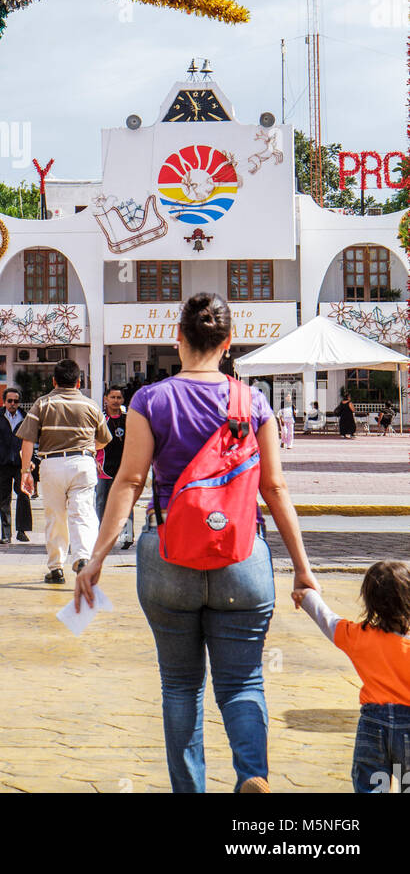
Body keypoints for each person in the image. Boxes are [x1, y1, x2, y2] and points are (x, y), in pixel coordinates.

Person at [75, 293, 318, 794]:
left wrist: (98, 556)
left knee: (180, 686)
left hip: (168, 555)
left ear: (178, 338)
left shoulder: (151, 400)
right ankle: (253, 776)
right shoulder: (253, 402)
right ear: (229, 344)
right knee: (244, 681)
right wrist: (302, 567)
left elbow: (129, 480)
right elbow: (274, 489)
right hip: (242, 556)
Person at [296, 561, 410, 793]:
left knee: (371, 787)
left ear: (369, 600)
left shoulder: (359, 636)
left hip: (372, 724)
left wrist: (306, 595)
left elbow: (327, 619)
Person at [18, 358, 112, 585]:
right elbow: (103, 441)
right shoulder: (91, 405)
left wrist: (25, 472)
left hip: (52, 465)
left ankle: (56, 567)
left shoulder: (43, 403)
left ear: (54, 381)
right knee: (83, 513)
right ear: (79, 382)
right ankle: (82, 557)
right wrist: (88, 448)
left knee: (55, 516)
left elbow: (28, 441)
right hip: (83, 463)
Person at [0, 387, 34, 545]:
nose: (12, 404)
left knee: (23, 494)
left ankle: (22, 530)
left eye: (16, 401)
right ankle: (6, 533)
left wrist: (33, 460)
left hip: (20, 463)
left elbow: (34, 440)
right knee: (4, 498)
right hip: (1, 463)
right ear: (4, 402)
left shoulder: (26, 418)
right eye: (10, 401)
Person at [95, 384, 133, 550]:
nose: (116, 401)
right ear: (106, 399)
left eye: (119, 398)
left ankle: (127, 535)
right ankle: (102, 536)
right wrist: (94, 459)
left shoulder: (129, 419)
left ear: (123, 400)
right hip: (104, 468)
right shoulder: (100, 419)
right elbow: (92, 442)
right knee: (102, 502)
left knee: (126, 503)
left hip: (125, 468)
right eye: (113, 397)